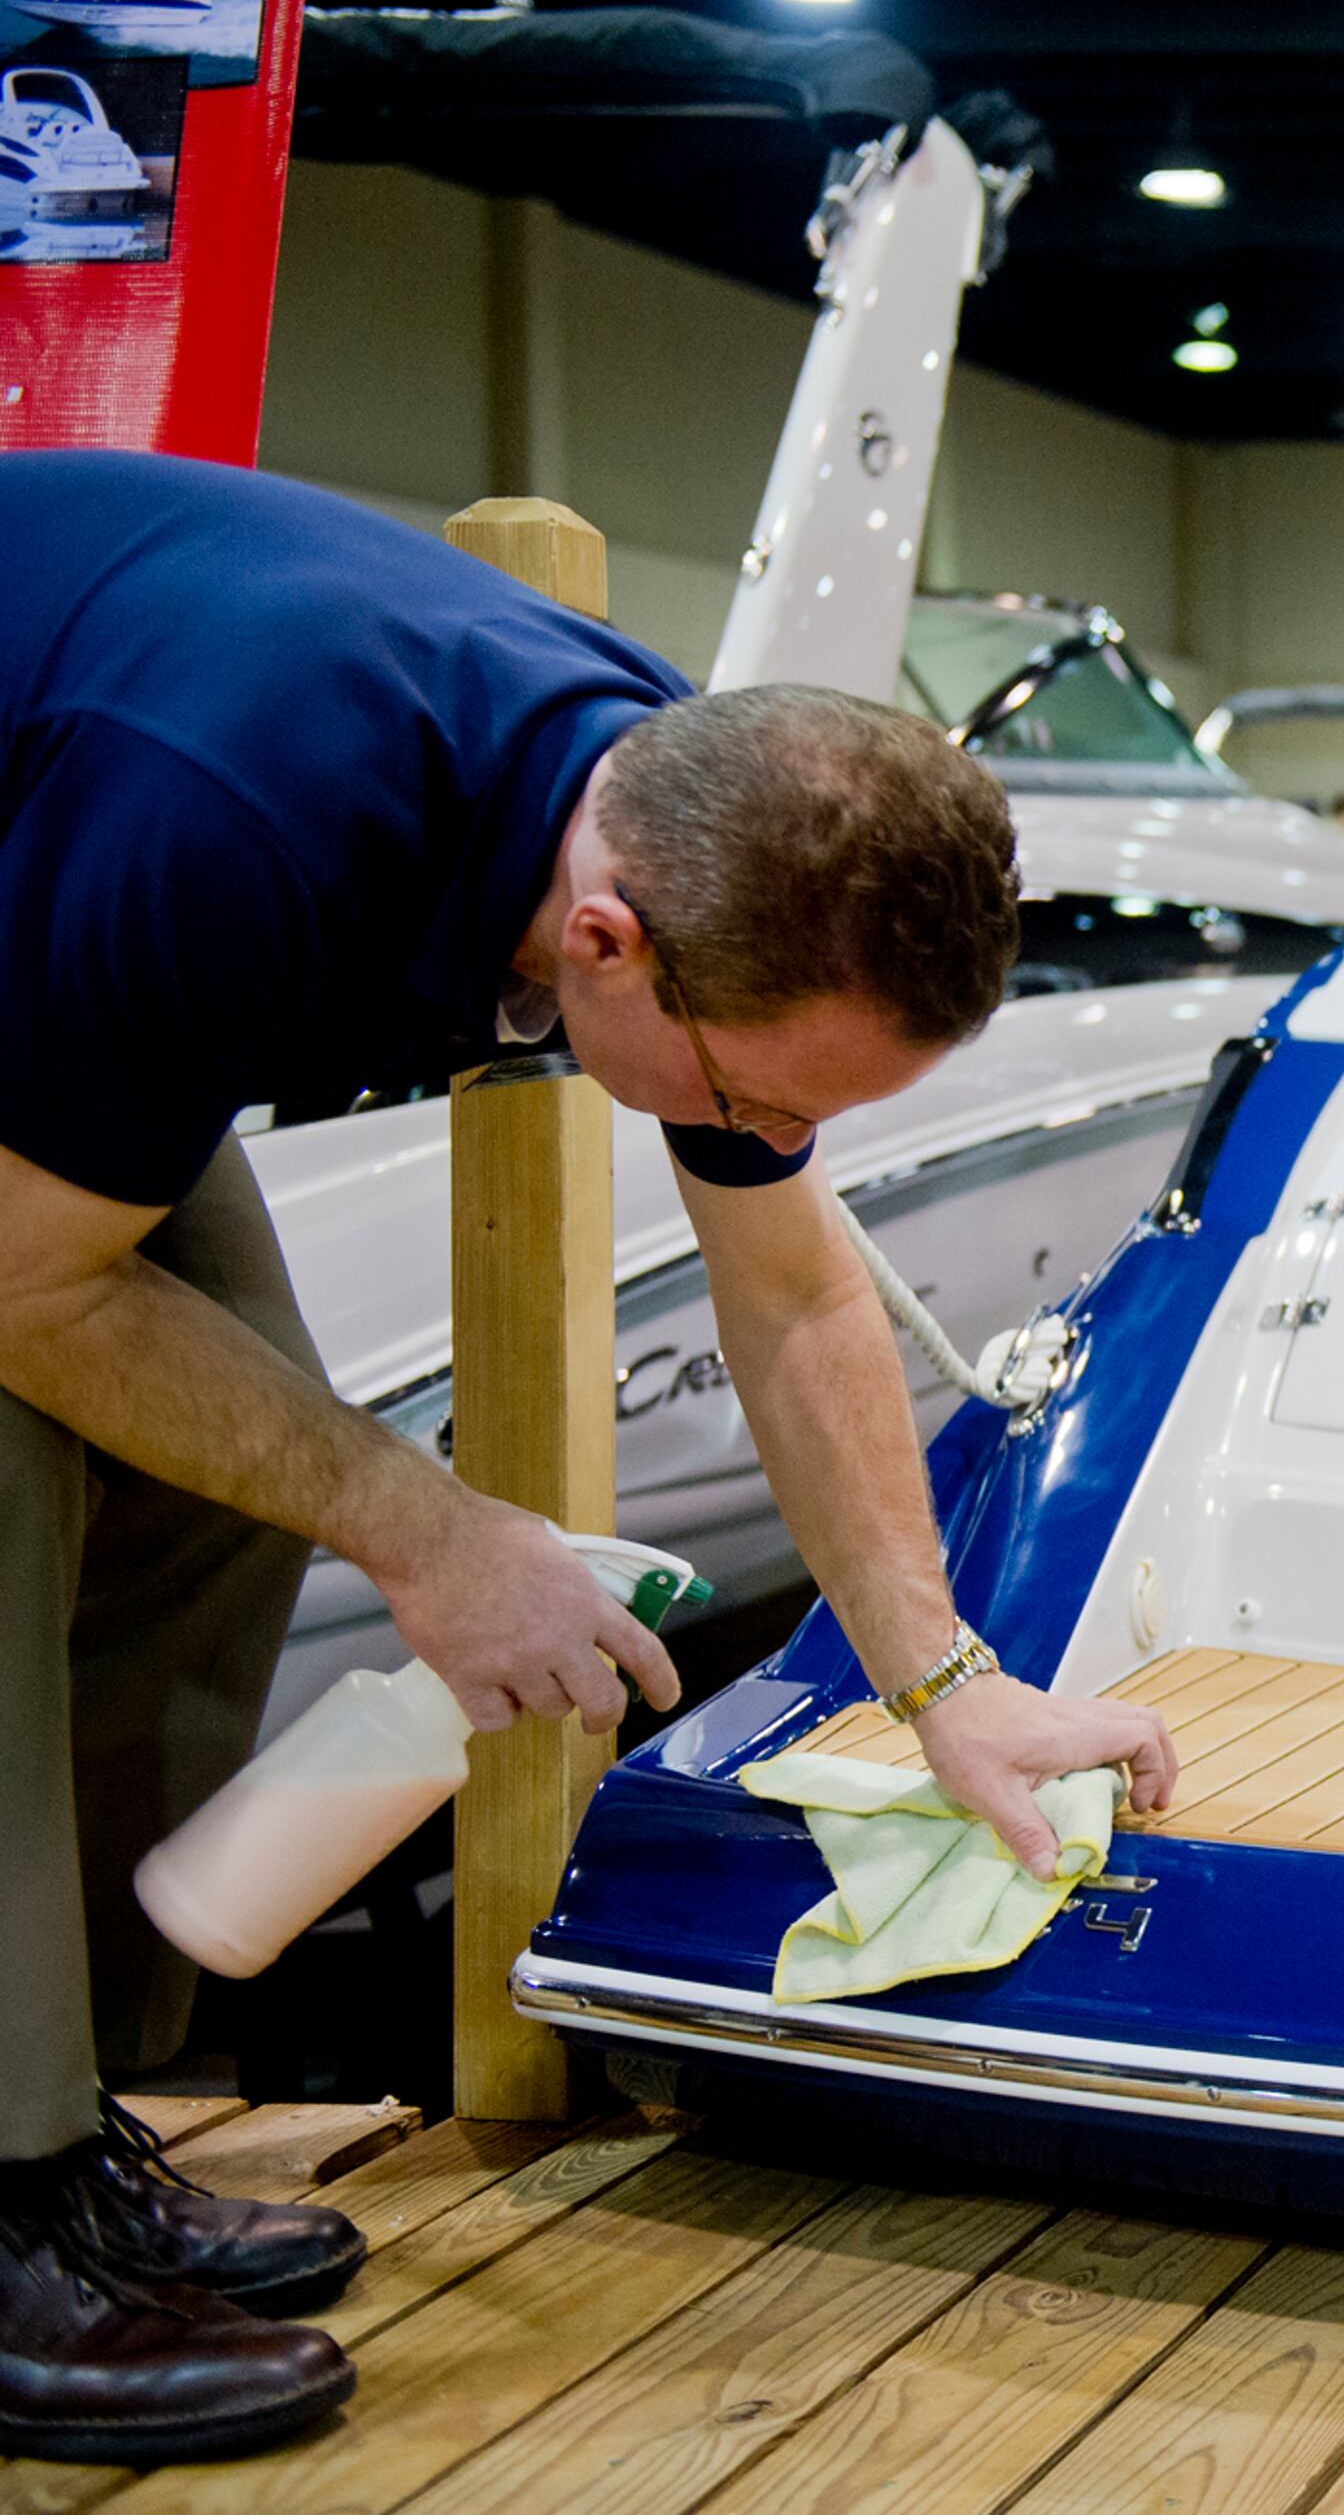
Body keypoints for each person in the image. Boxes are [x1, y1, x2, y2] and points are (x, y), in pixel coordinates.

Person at [0, 452, 1179, 2463]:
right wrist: (428, 1530)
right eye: (750, 1097)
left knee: (219, 1456)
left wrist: (946, 1688)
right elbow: (27, 1291)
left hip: (55, 897)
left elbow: (800, 1300)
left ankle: (54, 2134)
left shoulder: (683, 815)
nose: (751, 1134)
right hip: (106, 833)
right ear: (607, 946)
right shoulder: (248, 815)